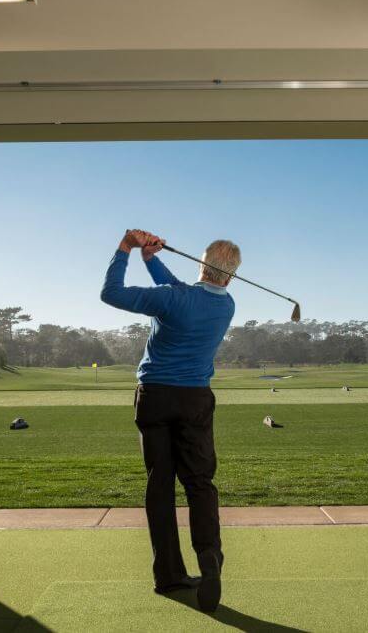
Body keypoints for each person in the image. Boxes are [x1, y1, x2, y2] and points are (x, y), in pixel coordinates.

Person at [100, 229, 240, 613]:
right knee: (199, 483)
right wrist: (151, 261)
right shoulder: (226, 304)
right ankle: (209, 555)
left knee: (160, 485)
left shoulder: (172, 299)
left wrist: (126, 249)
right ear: (229, 276)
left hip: (156, 397)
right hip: (195, 399)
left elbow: (111, 293)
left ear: (201, 265)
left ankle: (169, 574)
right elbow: (184, 292)